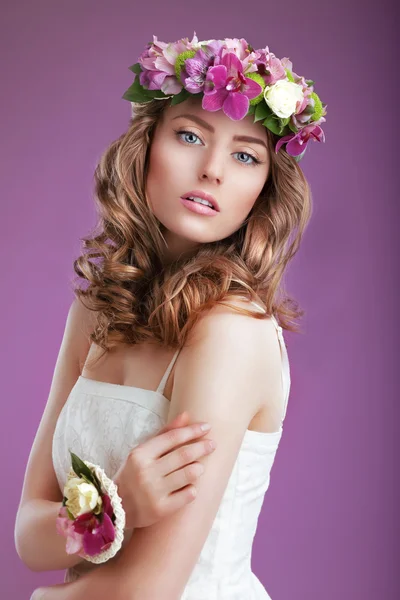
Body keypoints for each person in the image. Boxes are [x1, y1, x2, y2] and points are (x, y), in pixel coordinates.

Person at [16, 34, 327, 599]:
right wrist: (117, 507)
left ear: (263, 188)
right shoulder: (94, 310)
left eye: (245, 155)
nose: (212, 170)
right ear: (147, 145)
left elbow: (147, 591)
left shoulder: (230, 331)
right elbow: (28, 536)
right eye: (189, 136)